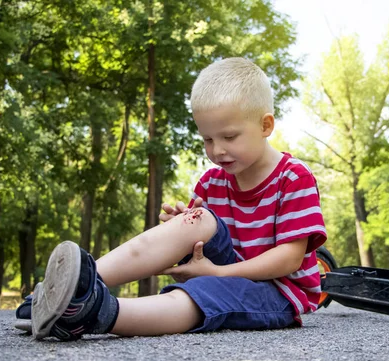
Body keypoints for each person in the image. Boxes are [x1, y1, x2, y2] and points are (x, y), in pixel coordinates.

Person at [18, 57, 327, 341]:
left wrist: (216, 272)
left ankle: (93, 313)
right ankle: (73, 289)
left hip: (278, 291)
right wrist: (181, 230)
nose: (217, 150)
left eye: (229, 137)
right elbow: (200, 240)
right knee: (197, 219)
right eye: (207, 139)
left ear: (265, 125)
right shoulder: (212, 181)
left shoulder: (293, 177)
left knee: (202, 292)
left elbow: (290, 259)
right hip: (226, 268)